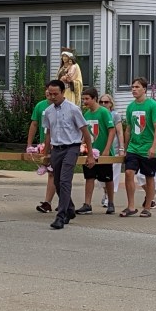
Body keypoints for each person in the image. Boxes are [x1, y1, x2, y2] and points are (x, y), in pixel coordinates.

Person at [42, 79, 94, 229]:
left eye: (55, 94)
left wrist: (90, 154)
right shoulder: (49, 111)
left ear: (63, 92)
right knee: (57, 182)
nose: (52, 97)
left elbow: (85, 132)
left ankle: (61, 215)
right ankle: (70, 208)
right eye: (50, 94)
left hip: (71, 147)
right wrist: (46, 154)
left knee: (65, 180)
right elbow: (48, 133)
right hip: (56, 149)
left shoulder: (73, 109)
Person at [121, 77, 156, 217]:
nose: (134, 89)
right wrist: (125, 148)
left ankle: (147, 207)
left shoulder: (152, 105)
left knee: (149, 177)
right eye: (132, 87)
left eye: (137, 87)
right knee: (128, 173)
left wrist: (153, 146)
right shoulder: (130, 107)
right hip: (134, 147)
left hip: (148, 147)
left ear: (144, 89)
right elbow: (128, 129)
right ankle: (131, 206)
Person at [77, 87, 115, 215]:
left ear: (94, 99)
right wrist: (82, 145)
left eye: (87, 99)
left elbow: (111, 130)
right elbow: (85, 133)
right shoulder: (86, 114)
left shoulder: (104, 112)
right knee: (89, 177)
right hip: (90, 152)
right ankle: (87, 204)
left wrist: (107, 149)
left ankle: (110, 202)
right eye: (83, 99)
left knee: (107, 178)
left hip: (103, 151)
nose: (85, 102)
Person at [27, 85, 57, 214]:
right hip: (44, 144)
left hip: (58, 144)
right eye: (47, 93)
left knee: (53, 173)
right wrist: (29, 144)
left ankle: (48, 202)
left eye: (52, 93)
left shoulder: (62, 107)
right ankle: (56, 202)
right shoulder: (40, 106)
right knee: (53, 173)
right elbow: (34, 124)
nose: (49, 95)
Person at [99, 94, 125, 208]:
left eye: (106, 102)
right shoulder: (98, 113)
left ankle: (110, 198)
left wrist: (121, 148)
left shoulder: (114, 115)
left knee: (113, 175)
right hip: (100, 149)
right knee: (101, 177)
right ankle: (105, 193)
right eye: (101, 102)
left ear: (111, 103)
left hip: (113, 149)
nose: (104, 104)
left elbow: (119, 133)